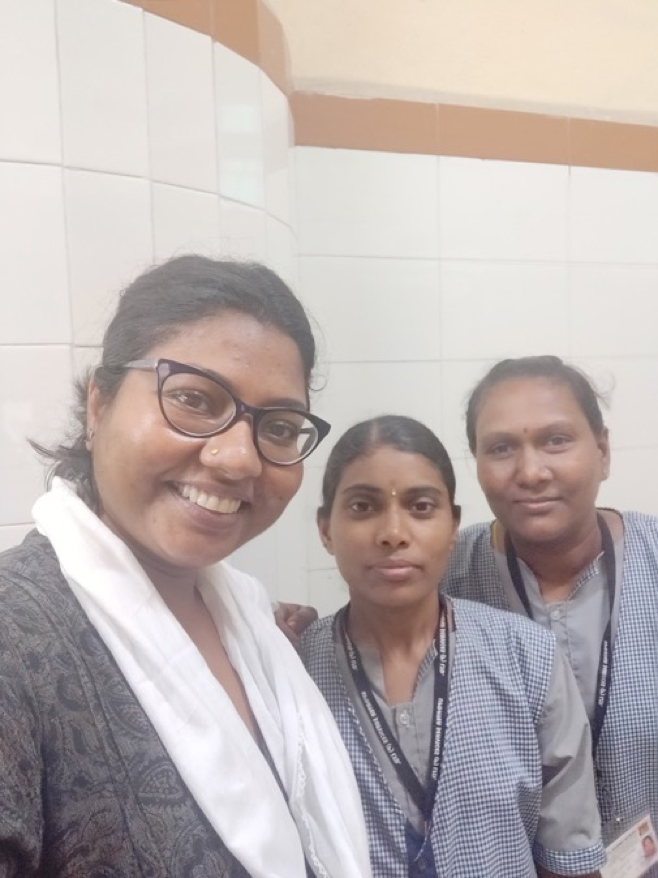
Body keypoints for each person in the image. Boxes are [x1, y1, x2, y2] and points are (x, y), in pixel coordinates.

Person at [0, 256, 371, 878]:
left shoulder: (252, 622)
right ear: (99, 403)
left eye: (278, 426)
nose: (238, 459)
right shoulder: (16, 637)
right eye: (195, 400)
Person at [300, 415, 605, 878]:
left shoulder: (528, 658)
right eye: (363, 507)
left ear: (452, 527)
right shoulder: (293, 671)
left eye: (422, 507)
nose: (393, 532)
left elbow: (569, 859)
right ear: (326, 529)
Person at [443, 355, 658, 868]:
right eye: (500, 448)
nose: (531, 471)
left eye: (556, 440)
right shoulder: (444, 580)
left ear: (602, 451)